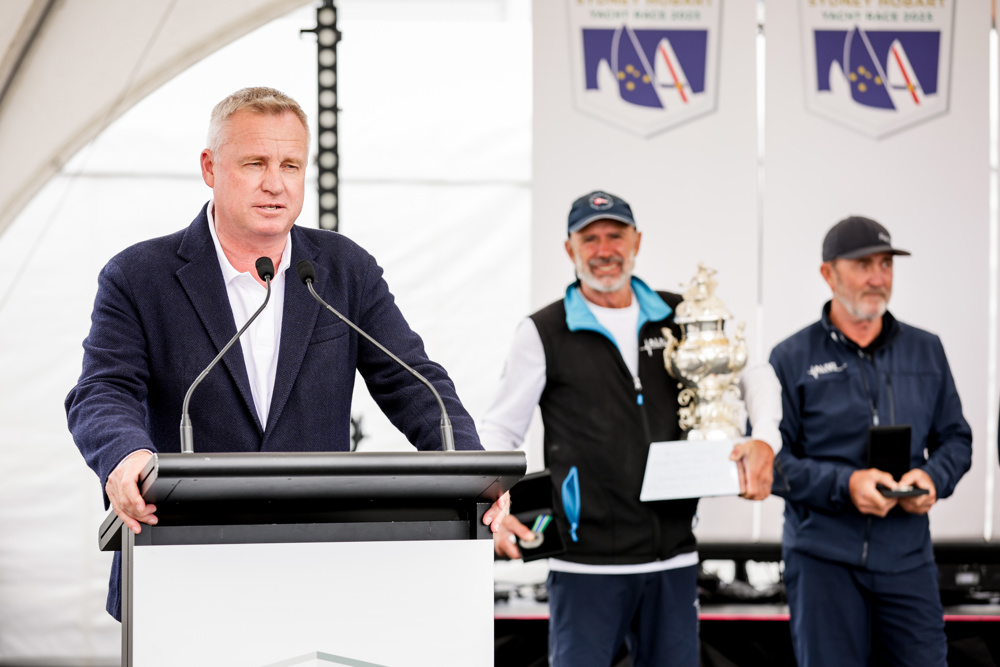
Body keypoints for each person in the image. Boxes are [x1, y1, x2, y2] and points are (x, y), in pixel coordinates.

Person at [65, 87, 509, 620]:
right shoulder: (139, 277)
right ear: (209, 167)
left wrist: (470, 470)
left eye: (290, 165)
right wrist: (126, 457)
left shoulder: (344, 272)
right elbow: (103, 390)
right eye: (255, 163)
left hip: (315, 566)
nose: (275, 183)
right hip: (179, 566)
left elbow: (414, 382)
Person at [480, 190, 782, 667]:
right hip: (584, 565)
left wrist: (764, 438)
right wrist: (492, 503)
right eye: (590, 238)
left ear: (636, 241)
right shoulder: (542, 331)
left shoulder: (683, 314)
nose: (604, 250)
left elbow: (754, 372)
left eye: (615, 235)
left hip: (674, 560)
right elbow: (500, 430)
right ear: (569, 249)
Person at [769, 215, 972, 667]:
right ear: (828, 273)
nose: (878, 278)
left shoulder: (927, 350)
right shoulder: (790, 358)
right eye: (863, 265)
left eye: (885, 264)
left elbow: (956, 439)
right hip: (823, 559)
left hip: (907, 557)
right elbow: (773, 464)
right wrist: (847, 485)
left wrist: (932, 478)